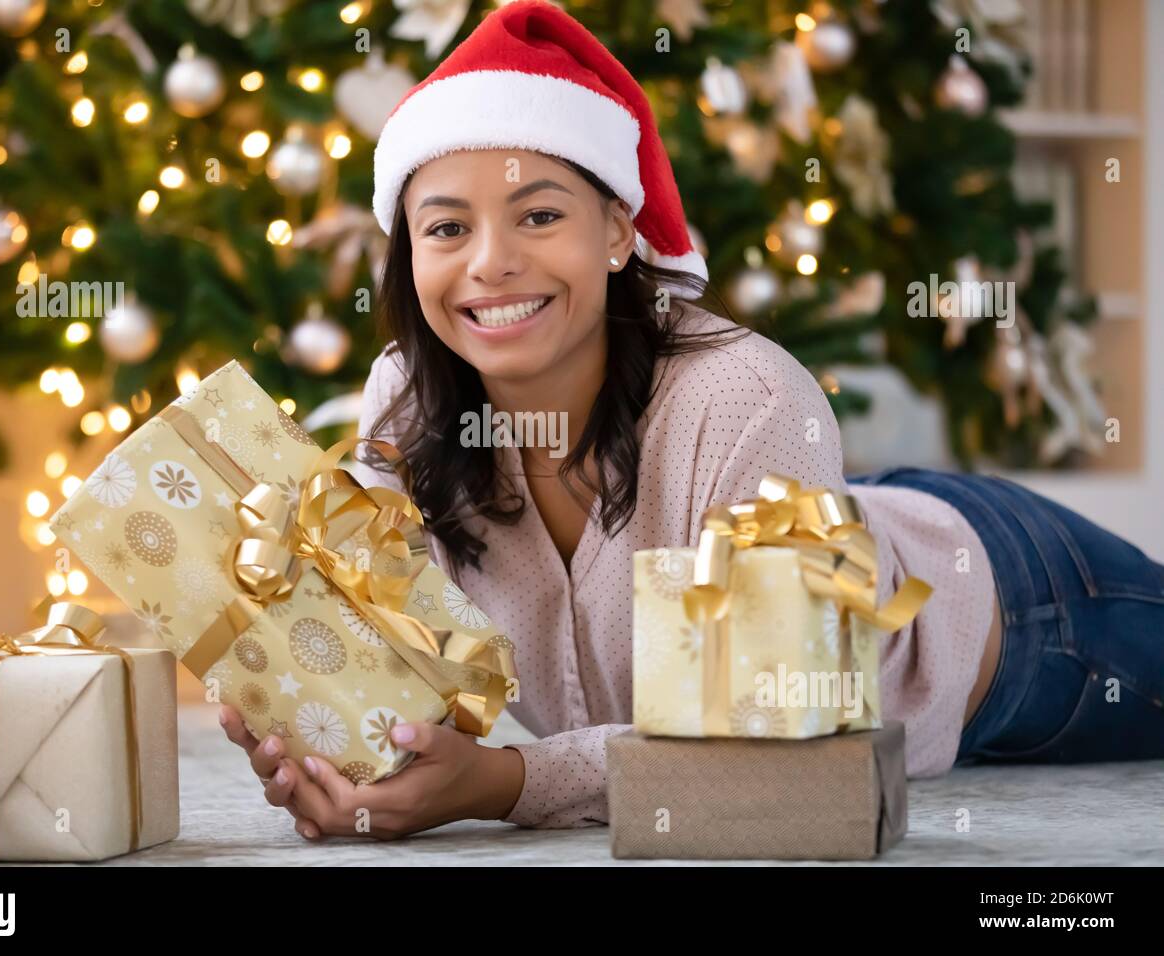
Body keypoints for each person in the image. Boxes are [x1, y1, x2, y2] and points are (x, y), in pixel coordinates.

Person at [219, 0, 1164, 841]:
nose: (491, 262)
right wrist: (321, 735)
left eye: (539, 215)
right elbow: (372, 648)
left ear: (620, 231)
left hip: (1025, 612)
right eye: (447, 227)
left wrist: (503, 784)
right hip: (831, 517)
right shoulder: (407, 400)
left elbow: (765, 740)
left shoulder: (747, 397)